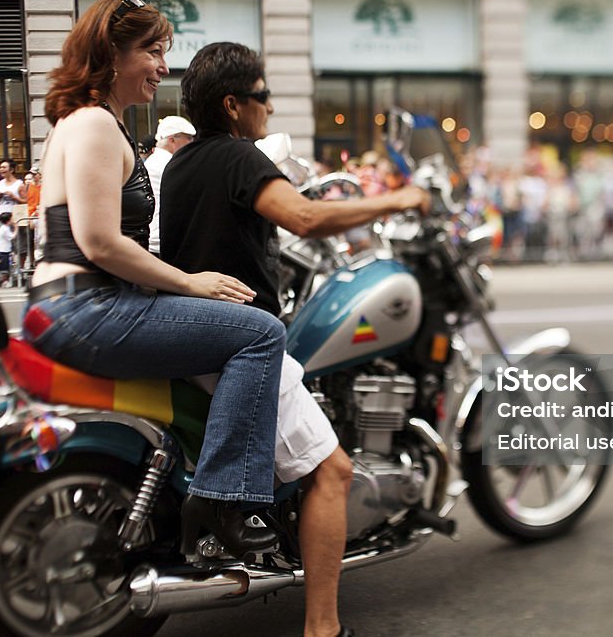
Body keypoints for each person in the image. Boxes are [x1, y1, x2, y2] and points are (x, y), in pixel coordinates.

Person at [161, 41, 430, 637]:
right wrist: (397, 198)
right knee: (332, 471)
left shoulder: (183, 163)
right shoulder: (239, 157)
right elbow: (303, 218)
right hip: (240, 345)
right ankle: (323, 628)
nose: (271, 108)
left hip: (197, 336)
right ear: (233, 105)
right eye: (262, 96)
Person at [24, 0, 285, 558]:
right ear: (109, 54)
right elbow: (99, 242)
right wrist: (192, 283)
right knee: (262, 332)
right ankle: (225, 498)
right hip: (86, 306)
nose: (163, 67)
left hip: (75, 303)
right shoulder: (94, 123)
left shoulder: (89, 123)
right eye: (152, 51)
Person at [144, 115, 195, 257]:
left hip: (155, 240)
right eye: (189, 138)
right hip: (162, 242)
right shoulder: (169, 164)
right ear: (172, 140)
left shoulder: (155, 161)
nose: (192, 143)